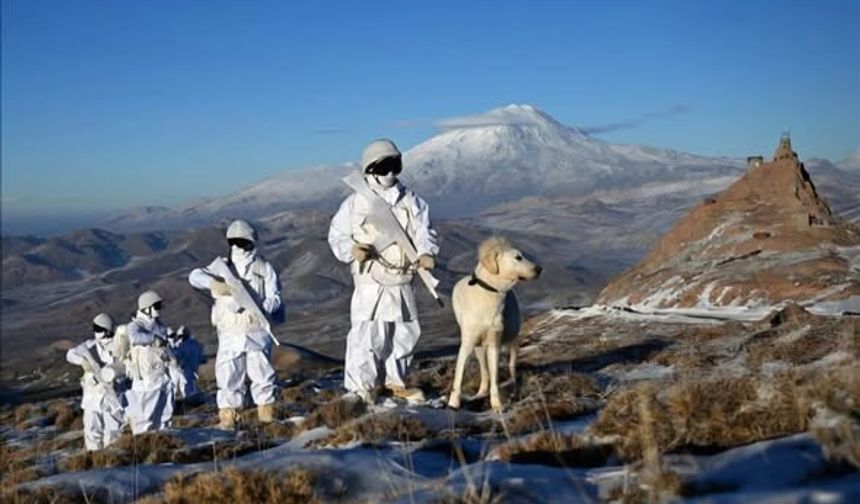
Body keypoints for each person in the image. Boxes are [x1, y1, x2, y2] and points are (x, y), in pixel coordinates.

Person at [328, 139, 439, 404]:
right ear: (371, 168)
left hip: (403, 277)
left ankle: (396, 382)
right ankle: (360, 389)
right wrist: (351, 249)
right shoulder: (355, 203)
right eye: (385, 166)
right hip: (371, 281)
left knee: (405, 333)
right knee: (368, 335)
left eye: (395, 166)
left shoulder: (412, 201)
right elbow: (337, 236)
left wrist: (426, 252)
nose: (390, 173)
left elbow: (425, 230)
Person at [189, 219, 283, 429]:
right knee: (229, 379)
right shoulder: (223, 267)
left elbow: (275, 297)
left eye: (243, 243)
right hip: (230, 333)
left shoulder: (264, 268)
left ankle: (268, 420)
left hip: (256, 331)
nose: (238, 247)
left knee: (262, 376)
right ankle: (229, 422)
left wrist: (260, 308)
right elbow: (194, 276)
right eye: (235, 242)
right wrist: (214, 283)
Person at [66, 313, 127, 450]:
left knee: (113, 431)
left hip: (112, 397)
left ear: (107, 330)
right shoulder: (90, 346)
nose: (96, 332)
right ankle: (95, 460)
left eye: (98, 329)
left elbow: (125, 366)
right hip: (92, 397)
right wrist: (82, 361)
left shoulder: (120, 345)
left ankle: (112, 459)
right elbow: (70, 354)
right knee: (92, 431)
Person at [126, 290, 176, 434]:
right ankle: (143, 441)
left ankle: (163, 439)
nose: (159, 309)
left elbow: (166, 344)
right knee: (145, 413)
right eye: (157, 306)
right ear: (146, 308)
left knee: (165, 410)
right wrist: (153, 339)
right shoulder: (136, 325)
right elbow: (135, 338)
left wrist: (173, 359)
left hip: (162, 375)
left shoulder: (159, 325)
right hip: (146, 379)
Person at [167, 326, 206, 401]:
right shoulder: (175, 345)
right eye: (179, 336)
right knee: (175, 385)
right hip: (177, 369)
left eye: (174, 336)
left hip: (185, 368)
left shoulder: (191, 344)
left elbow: (199, 357)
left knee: (186, 384)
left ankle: (188, 399)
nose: (179, 338)